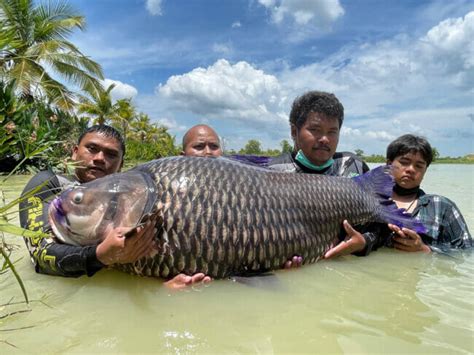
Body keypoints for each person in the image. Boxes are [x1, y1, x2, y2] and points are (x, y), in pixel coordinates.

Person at [19, 125, 206, 289]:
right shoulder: (49, 183)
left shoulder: (135, 195)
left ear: (121, 164)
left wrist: (158, 287)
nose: (100, 158)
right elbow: (41, 255)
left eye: (111, 154)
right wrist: (100, 256)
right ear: (75, 152)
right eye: (92, 149)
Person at [326, 134, 472, 257]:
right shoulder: (360, 202)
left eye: (419, 166)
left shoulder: (442, 207)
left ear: (426, 170)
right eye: (404, 162)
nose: (410, 170)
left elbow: (467, 253)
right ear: (389, 164)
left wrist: (425, 249)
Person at [268, 90, 369, 177]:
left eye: (332, 132)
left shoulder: (353, 165)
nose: (325, 139)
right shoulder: (271, 171)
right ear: (294, 132)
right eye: (315, 130)